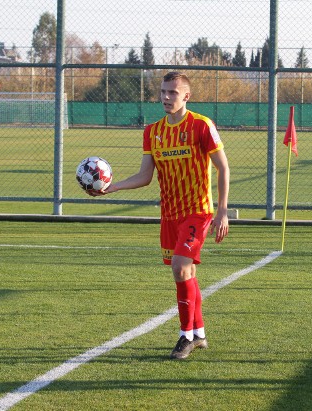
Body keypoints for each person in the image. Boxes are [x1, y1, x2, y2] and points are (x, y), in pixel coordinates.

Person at [88, 71, 230, 360]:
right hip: (170, 215)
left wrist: (223, 211)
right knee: (186, 273)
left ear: (186, 97)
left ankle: (185, 336)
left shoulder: (202, 126)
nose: (166, 97)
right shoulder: (152, 131)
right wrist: (111, 187)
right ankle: (199, 332)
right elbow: (144, 176)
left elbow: (223, 168)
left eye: (172, 93)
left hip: (198, 212)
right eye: (163, 92)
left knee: (180, 267)